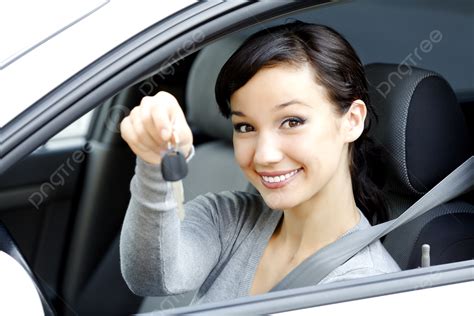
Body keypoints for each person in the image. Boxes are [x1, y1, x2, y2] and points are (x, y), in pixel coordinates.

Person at [119, 21, 400, 305]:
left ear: (351, 121)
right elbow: (151, 276)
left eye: (292, 121)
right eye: (245, 127)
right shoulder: (229, 218)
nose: (264, 155)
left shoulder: (364, 290)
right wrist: (155, 160)